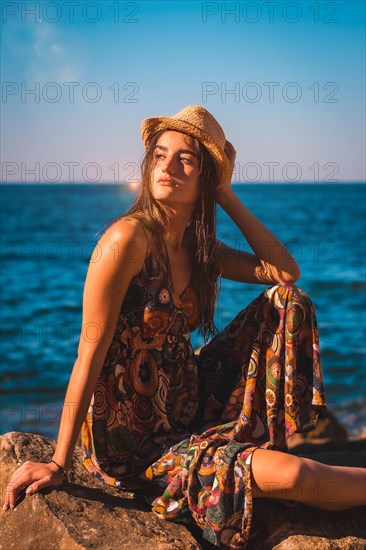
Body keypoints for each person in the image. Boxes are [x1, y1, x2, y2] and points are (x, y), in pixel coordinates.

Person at [3, 105, 365, 548]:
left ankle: (262, 440)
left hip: (184, 405)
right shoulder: (127, 241)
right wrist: (60, 463)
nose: (168, 166)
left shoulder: (199, 249)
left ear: (204, 179)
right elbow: (89, 352)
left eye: (186, 159)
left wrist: (226, 195)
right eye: (159, 155)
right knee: (296, 476)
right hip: (135, 444)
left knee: (288, 301)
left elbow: (285, 272)